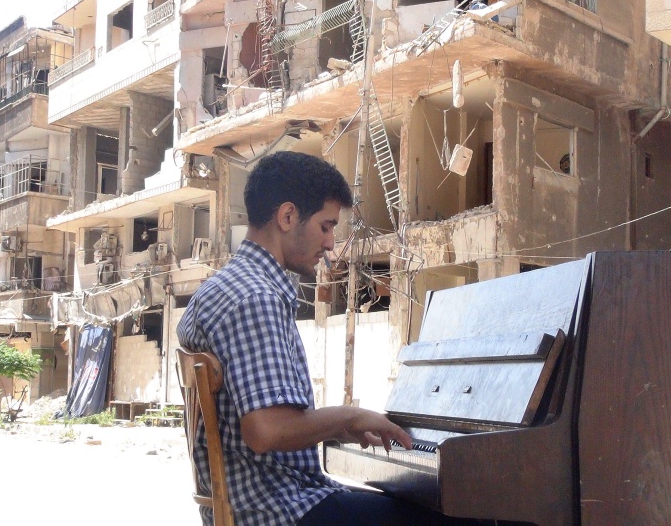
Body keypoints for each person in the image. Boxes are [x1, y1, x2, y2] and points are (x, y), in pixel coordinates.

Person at [178, 151, 480, 526]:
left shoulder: (221, 288)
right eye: (326, 226)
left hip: (262, 502)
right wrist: (350, 417)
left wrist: (341, 425)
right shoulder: (256, 298)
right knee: (469, 516)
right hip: (280, 511)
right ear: (288, 217)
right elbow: (266, 431)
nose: (331, 244)